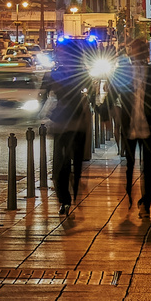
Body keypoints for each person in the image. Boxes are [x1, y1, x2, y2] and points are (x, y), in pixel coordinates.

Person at [112, 39, 151, 219]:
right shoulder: (122, 72)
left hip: (149, 125)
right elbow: (112, 96)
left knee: (148, 165)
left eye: (141, 50)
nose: (137, 54)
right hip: (129, 124)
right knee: (129, 164)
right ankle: (130, 197)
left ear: (147, 53)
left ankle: (145, 203)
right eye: (135, 51)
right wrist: (111, 116)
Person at [42, 38, 93, 216]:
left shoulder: (81, 73)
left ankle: (73, 191)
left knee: (76, 161)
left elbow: (90, 93)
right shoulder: (55, 73)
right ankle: (64, 199)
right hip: (60, 123)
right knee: (60, 165)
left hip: (77, 122)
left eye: (63, 53)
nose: (61, 56)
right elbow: (44, 93)